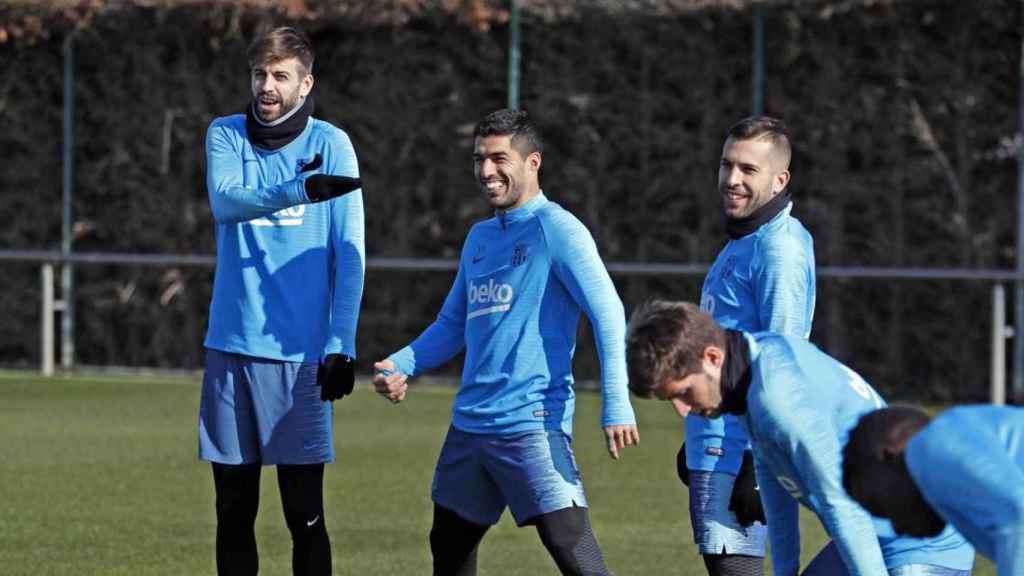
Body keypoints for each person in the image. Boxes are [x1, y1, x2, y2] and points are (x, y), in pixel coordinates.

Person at [372, 108, 639, 576]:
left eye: (499, 158)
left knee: (573, 550)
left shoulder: (556, 229)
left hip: (530, 424)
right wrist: (402, 363)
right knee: (449, 549)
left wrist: (616, 401)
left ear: (533, 162)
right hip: (470, 427)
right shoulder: (479, 238)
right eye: (479, 159)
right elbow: (453, 324)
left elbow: (608, 312)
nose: (486, 171)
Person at [625, 300, 975, 575]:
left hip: (920, 543)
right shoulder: (751, 364)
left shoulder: (777, 397)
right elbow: (773, 484)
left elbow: (839, 504)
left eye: (684, 393)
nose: (682, 410)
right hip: (873, 532)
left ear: (712, 357)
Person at [197, 26, 365, 576]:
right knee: (232, 510)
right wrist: (297, 190)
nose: (267, 86)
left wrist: (341, 343)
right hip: (229, 349)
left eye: (280, 76)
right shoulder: (225, 134)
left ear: (305, 82)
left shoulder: (332, 144)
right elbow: (225, 203)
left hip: (300, 359)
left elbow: (350, 252)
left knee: (304, 514)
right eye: (260, 75)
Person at [682, 115, 815, 576]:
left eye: (748, 170)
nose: (732, 179)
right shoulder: (744, 240)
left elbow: (782, 362)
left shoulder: (779, 250)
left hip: (740, 451)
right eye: (726, 165)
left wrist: (755, 466)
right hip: (718, 443)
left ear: (780, 180)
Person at [844, 405, 1024, 575]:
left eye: (882, 509)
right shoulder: (961, 435)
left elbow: (1018, 510)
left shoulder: (928, 444)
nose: (897, 529)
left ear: (887, 458)